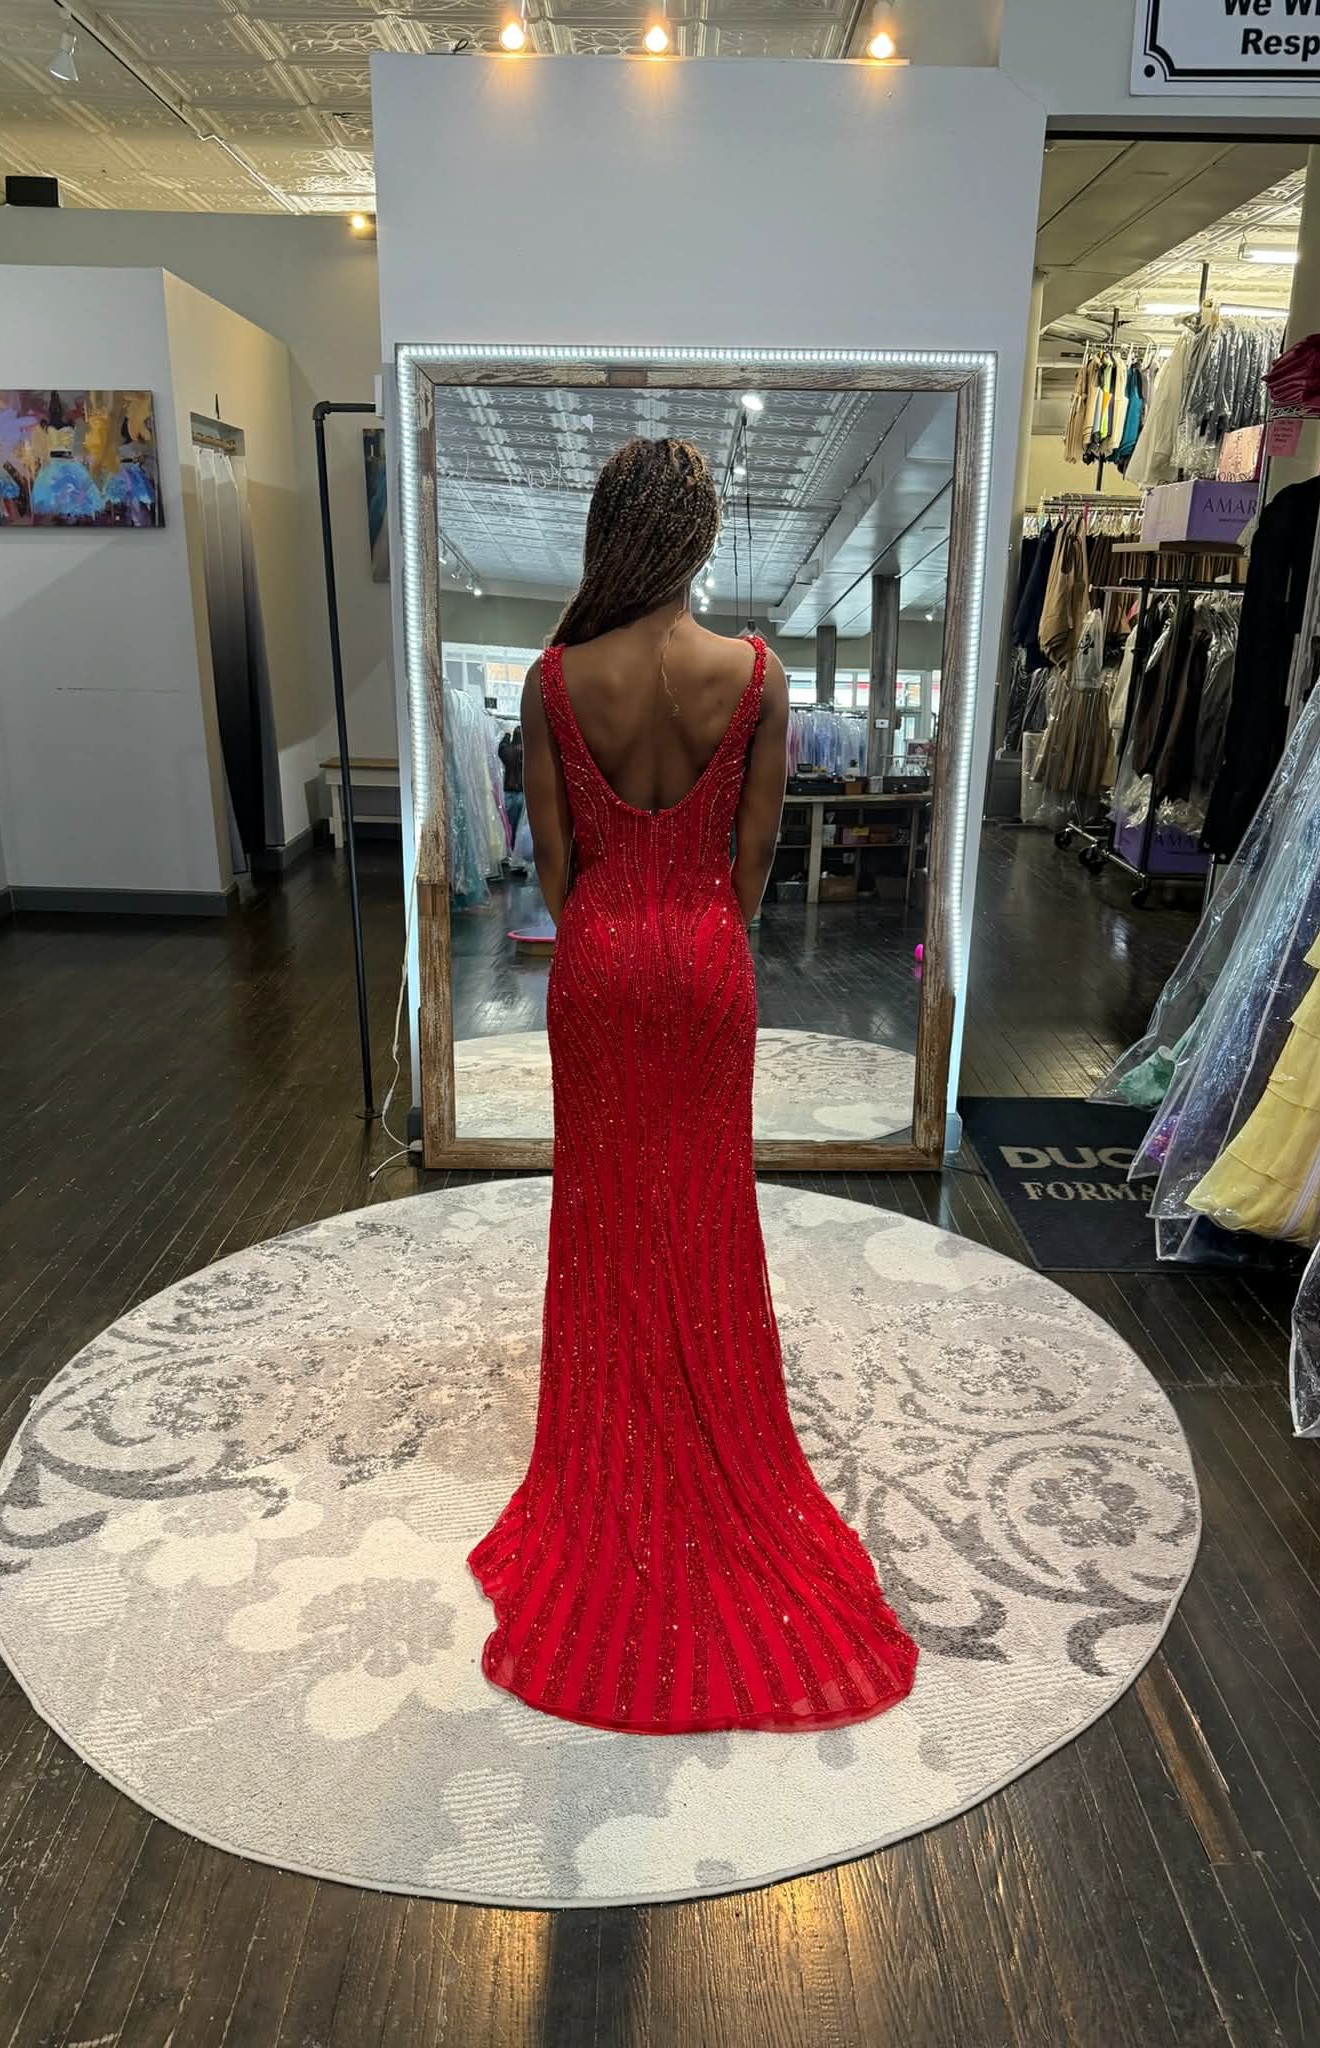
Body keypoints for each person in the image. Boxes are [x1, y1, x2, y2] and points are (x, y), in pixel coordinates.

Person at [468, 436, 918, 1733]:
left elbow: (551, 870)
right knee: (706, 1213)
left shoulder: (558, 680)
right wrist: (696, 926)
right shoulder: (757, 678)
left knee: (606, 1219)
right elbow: (758, 856)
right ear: (701, 543)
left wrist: (616, 921)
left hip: (601, 968)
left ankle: (617, 1442)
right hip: (709, 966)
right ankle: (704, 1418)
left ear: (612, 539)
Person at [497, 724, 525, 858]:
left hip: (509, 792)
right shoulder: (527, 751)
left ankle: (511, 851)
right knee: (522, 826)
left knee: (509, 826)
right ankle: (519, 855)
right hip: (523, 794)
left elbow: (501, 749)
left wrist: (507, 735)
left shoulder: (508, 751)